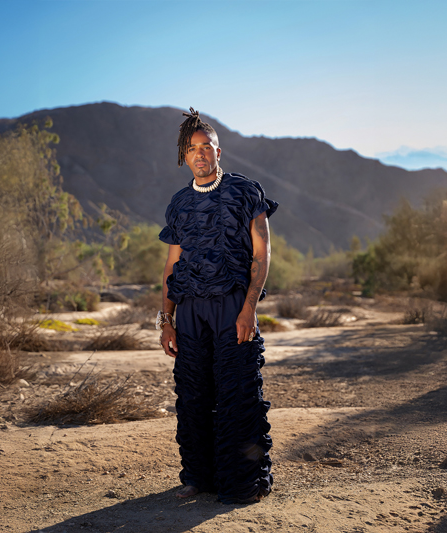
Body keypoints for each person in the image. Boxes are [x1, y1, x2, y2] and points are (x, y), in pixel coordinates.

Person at [157, 108, 277, 504]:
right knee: (193, 395)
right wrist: (166, 319)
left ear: (219, 151)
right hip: (190, 310)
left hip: (232, 307)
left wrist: (249, 309)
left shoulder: (246, 192)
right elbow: (172, 264)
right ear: (183, 156)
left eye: (206, 146)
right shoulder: (178, 204)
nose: (200, 153)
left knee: (237, 392)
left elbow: (262, 253)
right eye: (192, 149)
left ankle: (243, 484)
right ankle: (197, 478)